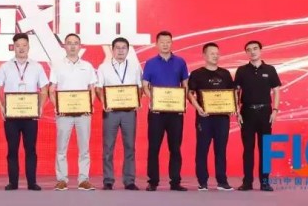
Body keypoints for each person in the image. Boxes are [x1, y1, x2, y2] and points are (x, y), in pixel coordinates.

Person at [0, 33, 49, 191]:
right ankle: (13, 182)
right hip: (11, 116)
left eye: (24, 45)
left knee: (31, 149)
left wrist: (40, 107)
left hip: (30, 116)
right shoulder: (6, 67)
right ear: (14, 47)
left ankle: (32, 182)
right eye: (18, 46)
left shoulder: (37, 66)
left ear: (29, 47)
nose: (21, 48)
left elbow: (44, 89)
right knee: (12, 149)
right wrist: (1, 108)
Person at [142, 31, 189, 192]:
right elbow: (145, 86)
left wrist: (182, 101)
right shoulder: (150, 63)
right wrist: (154, 100)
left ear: (172, 43)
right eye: (162, 42)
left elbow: (185, 84)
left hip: (175, 112)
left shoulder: (180, 62)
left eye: (168, 41)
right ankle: (153, 181)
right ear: (156, 44)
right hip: (156, 113)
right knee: (154, 147)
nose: (165, 44)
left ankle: (175, 181)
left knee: (175, 148)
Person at [49, 33, 97, 191]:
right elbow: (51, 90)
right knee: (61, 148)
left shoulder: (87, 66)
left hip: (83, 114)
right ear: (64, 46)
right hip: (64, 114)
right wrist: (57, 107)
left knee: (84, 148)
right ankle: (61, 179)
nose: (72, 46)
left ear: (80, 46)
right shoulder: (57, 66)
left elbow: (92, 89)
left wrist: (89, 106)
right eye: (69, 43)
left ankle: (83, 180)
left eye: (75, 43)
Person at [187, 42, 235, 191]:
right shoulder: (197, 74)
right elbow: (189, 93)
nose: (215, 56)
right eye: (212, 53)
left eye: (217, 53)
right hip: (204, 117)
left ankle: (222, 181)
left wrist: (232, 107)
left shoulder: (225, 73)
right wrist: (198, 108)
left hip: (222, 118)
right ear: (204, 55)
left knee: (221, 149)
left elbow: (232, 93)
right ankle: (202, 181)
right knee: (202, 149)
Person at [235, 40, 281, 192]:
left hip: (265, 112)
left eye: (255, 48)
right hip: (247, 112)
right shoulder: (241, 71)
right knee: (248, 149)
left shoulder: (270, 69)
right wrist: (237, 112)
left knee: (265, 148)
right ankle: (247, 182)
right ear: (246, 53)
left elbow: (276, 91)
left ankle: (265, 182)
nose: (252, 52)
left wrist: (275, 110)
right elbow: (236, 92)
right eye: (249, 50)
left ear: (260, 50)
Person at [96, 37, 142, 191]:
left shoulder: (135, 67)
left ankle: (129, 180)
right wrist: (104, 103)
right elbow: (98, 88)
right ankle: (108, 180)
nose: (121, 51)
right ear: (112, 50)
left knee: (130, 146)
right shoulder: (103, 67)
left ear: (128, 50)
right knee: (108, 147)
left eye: (124, 48)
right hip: (111, 112)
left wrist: (137, 101)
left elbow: (140, 87)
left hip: (129, 112)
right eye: (117, 48)